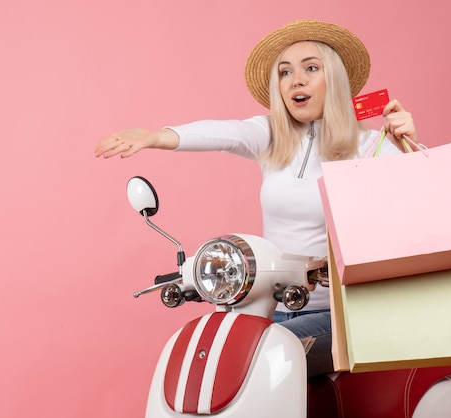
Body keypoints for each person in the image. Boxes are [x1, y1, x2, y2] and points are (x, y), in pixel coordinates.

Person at [94, 19, 417, 377]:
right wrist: (158, 136)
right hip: (270, 306)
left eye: (311, 68)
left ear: (335, 79)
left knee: (256, 360)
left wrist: (409, 146)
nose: (296, 80)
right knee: (215, 357)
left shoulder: (370, 146)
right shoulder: (273, 137)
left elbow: (422, 205)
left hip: (343, 316)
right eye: (285, 72)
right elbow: (225, 133)